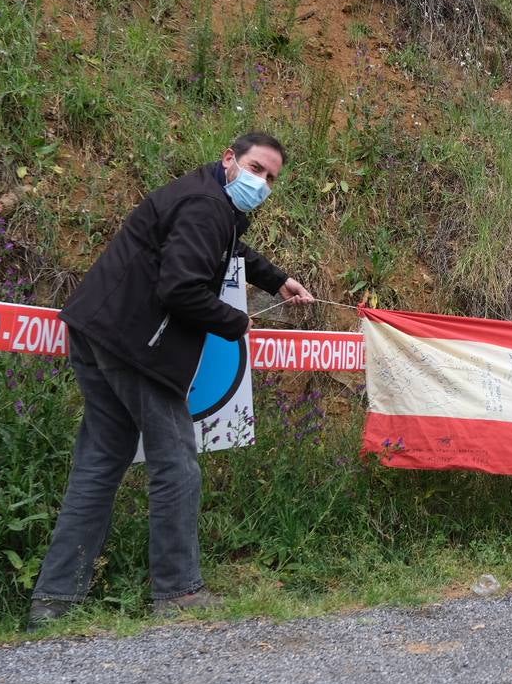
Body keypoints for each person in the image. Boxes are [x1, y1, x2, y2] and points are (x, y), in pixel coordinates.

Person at [28, 133, 314, 629]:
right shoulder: (207, 206)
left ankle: (55, 601)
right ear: (229, 157)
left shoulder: (203, 196)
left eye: (271, 178)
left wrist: (274, 279)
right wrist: (238, 323)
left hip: (96, 330)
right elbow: (181, 288)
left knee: (99, 464)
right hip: (137, 346)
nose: (261, 182)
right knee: (177, 465)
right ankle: (178, 592)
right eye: (255, 168)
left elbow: (224, 246)